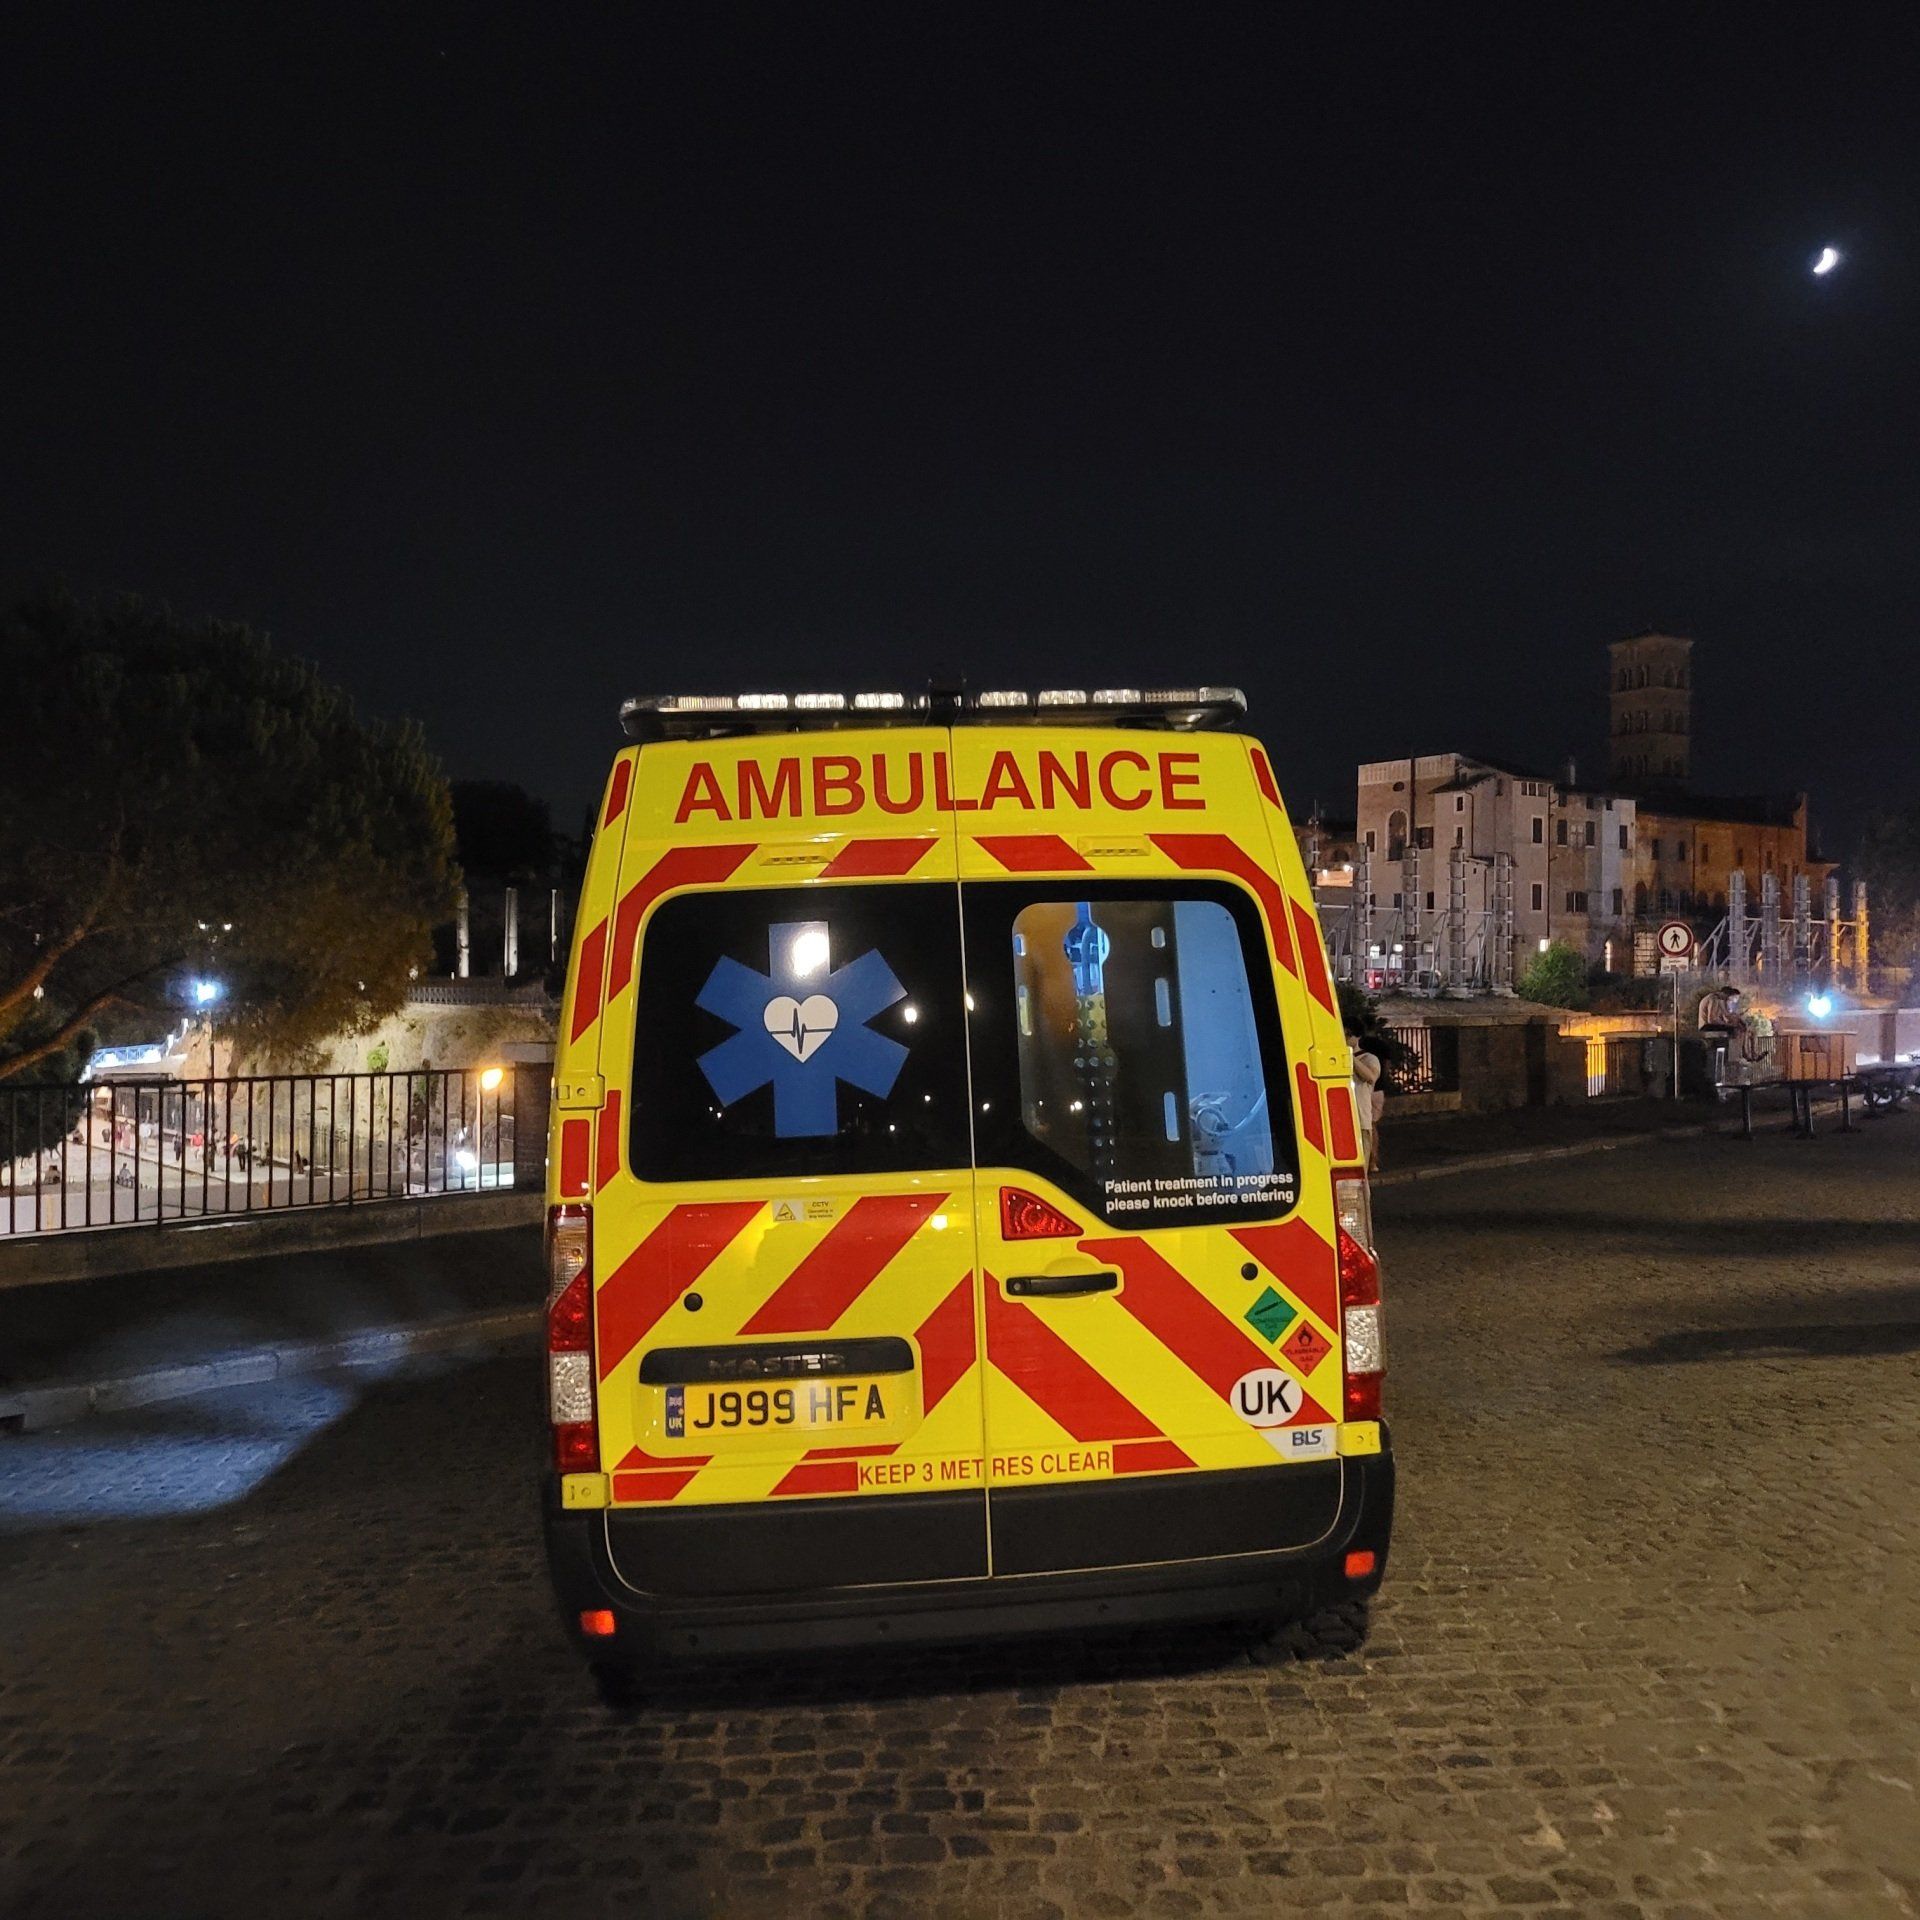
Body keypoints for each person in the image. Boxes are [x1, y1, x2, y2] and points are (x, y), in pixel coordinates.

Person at [1349, 1032, 1385, 1171]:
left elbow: (1371, 1077)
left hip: (1361, 1118)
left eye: (1347, 1035)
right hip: (1344, 1120)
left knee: (1360, 1172)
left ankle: (1372, 1162)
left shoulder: (1369, 1058)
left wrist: (1350, 1056)